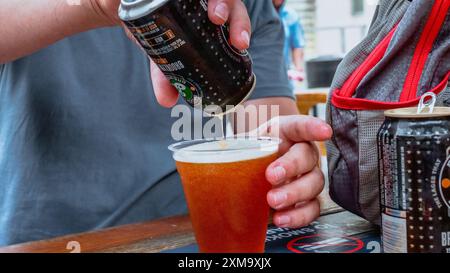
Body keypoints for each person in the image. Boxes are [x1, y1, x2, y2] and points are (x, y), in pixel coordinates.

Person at [0, 0, 332, 246]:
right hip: (54, 241)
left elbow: (266, 125)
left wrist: (286, 167)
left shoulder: (245, 6)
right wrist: (99, 6)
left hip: (193, 240)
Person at [272, 0, 306, 83]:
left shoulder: (290, 15)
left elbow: (297, 45)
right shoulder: (258, 14)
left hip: (285, 73)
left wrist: (298, 70)